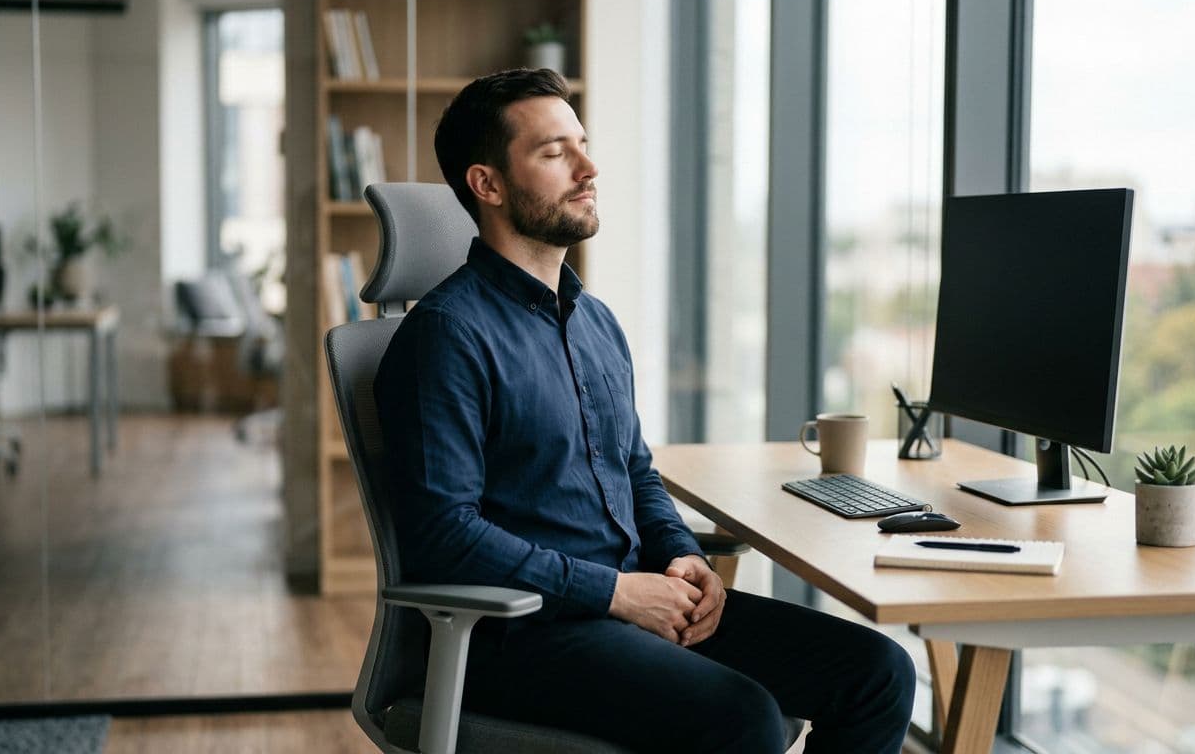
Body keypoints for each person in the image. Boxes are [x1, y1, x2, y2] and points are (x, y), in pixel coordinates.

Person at [375, 68, 915, 754]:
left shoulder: (595, 323)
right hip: (518, 632)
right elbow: (444, 537)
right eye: (553, 153)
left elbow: (633, 469)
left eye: (582, 144)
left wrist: (684, 558)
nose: (588, 167)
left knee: (877, 672)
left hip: (629, 602)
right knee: (741, 716)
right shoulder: (447, 334)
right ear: (487, 185)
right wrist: (616, 594)